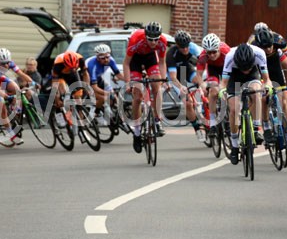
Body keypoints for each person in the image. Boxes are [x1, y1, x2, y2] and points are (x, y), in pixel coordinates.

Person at [220, 43, 271, 165]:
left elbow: (267, 79)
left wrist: (268, 87)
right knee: (234, 109)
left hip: (253, 76)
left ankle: (256, 129)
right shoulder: (230, 57)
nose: (245, 71)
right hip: (234, 77)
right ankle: (234, 145)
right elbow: (223, 84)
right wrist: (222, 92)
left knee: (256, 93)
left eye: (247, 67)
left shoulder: (259, 54)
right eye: (243, 68)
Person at [123, 22, 168, 152]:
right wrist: (128, 83)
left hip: (150, 59)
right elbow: (126, 63)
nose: (153, 42)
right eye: (150, 39)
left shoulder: (163, 41)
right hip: (135, 61)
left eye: (156, 39)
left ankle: (157, 120)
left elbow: (162, 62)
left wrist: (163, 79)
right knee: (137, 96)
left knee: (157, 87)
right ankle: (137, 132)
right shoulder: (136, 39)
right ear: (145, 36)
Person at [251, 28, 287, 144]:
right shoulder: (253, 48)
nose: (268, 49)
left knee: (283, 102)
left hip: (275, 71)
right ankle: (266, 127)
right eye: (265, 48)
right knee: (264, 98)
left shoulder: (279, 42)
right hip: (260, 71)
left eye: (270, 46)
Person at [166, 30, 207, 142]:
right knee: (188, 103)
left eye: (186, 46)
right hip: (175, 77)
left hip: (187, 69)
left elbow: (205, 62)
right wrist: (181, 87)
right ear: (177, 45)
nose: (185, 49)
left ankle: (206, 110)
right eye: (182, 47)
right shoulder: (171, 54)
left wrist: (203, 82)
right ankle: (197, 128)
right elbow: (173, 77)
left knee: (203, 85)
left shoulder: (193, 47)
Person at [197, 33, 231, 138]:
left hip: (227, 69)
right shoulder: (203, 56)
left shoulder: (227, 52)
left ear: (219, 49)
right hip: (213, 70)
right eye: (209, 53)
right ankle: (212, 123)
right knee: (213, 91)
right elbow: (198, 75)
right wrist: (202, 85)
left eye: (214, 52)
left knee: (228, 90)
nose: (211, 55)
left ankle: (229, 117)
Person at [85, 44, 125, 126]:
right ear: (97, 57)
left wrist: (131, 80)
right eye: (103, 58)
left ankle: (119, 119)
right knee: (103, 98)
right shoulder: (93, 65)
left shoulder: (111, 60)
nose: (106, 60)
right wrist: (107, 93)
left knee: (115, 98)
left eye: (107, 57)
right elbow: (94, 87)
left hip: (99, 78)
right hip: (88, 82)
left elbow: (119, 75)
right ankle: (96, 113)